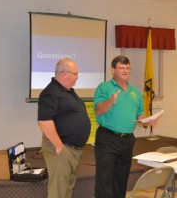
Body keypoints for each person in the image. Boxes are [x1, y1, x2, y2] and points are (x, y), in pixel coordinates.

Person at [93, 55, 157, 198]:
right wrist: (109, 102)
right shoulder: (104, 87)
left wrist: (148, 120)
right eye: (122, 67)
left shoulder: (135, 92)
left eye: (128, 68)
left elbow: (139, 114)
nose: (125, 70)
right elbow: (98, 109)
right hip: (107, 138)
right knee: (105, 179)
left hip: (127, 140)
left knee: (121, 179)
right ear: (113, 70)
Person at [38, 58, 91, 198]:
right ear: (65, 73)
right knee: (58, 190)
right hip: (62, 148)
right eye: (75, 73)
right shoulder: (50, 92)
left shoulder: (68, 91)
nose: (77, 76)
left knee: (67, 186)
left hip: (72, 149)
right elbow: (44, 121)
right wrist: (59, 146)